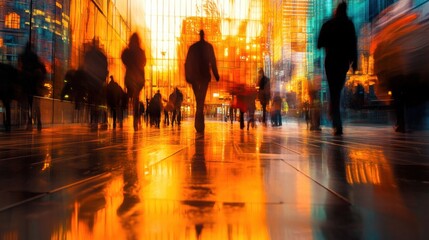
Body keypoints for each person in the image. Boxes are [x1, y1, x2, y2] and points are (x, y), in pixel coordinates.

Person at [317, 2, 357, 136]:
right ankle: (335, 119)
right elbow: (353, 44)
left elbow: (319, 43)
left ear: (336, 11)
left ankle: (335, 120)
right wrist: (354, 62)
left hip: (330, 62)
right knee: (337, 91)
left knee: (333, 91)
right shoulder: (349, 24)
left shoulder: (328, 24)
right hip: (343, 62)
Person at [185, 30, 220, 133]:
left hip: (195, 77)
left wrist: (188, 76)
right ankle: (200, 122)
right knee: (201, 98)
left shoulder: (193, 47)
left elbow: (187, 63)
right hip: (204, 76)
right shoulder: (208, 47)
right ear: (203, 35)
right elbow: (213, 62)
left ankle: (198, 122)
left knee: (198, 98)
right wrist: (216, 74)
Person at [122, 33, 146, 131]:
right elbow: (144, 63)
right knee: (136, 98)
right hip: (139, 77)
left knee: (129, 95)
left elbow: (124, 58)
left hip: (130, 76)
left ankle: (122, 113)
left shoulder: (128, 51)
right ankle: (135, 121)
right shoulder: (140, 51)